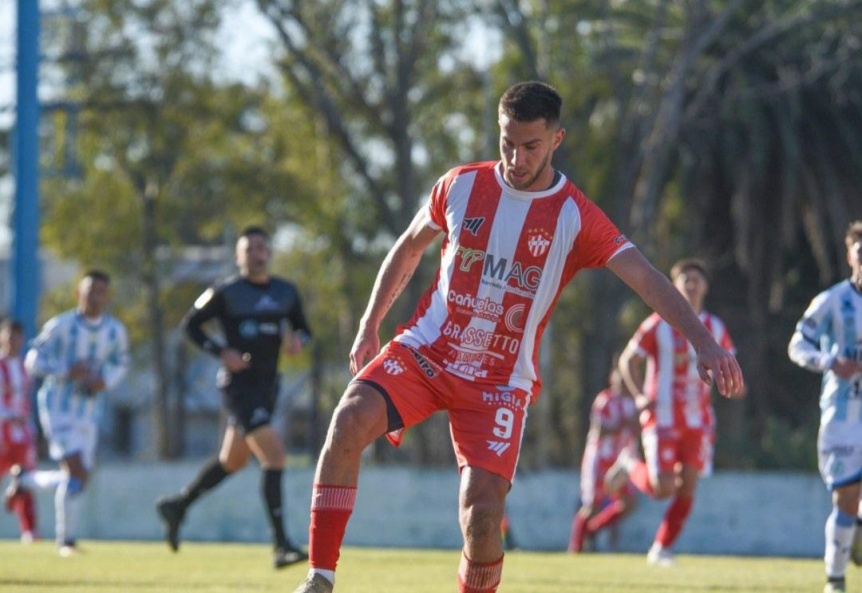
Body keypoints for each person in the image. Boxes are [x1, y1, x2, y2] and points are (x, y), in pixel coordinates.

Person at [290, 81, 744, 593]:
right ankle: (319, 578)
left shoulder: (576, 216)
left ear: (556, 140)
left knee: (482, 517)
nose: (516, 157)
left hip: (500, 383)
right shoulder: (460, 185)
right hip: (427, 352)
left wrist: (704, 342)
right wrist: (369, 323)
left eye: (530, 146)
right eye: (507, 142)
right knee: (348, 419)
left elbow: (646, 279)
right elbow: (409, 247)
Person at [155, 225, 312, 570]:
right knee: (275, 454)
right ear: (238, 256)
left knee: (233, 461)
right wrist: (220, 350)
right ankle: (281, 544)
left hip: (268, 386)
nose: (256, 253)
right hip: (238, 388)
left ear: (268, 253)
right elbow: (191, 325)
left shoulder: (286, 292)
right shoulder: (225, 292)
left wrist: (299, 339)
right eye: (249, 248)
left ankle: (178, 505)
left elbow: (304, 328)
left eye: (261, 247)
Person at [605, 258, 738, 567]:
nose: (691, 285)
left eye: (696, 280)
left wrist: (734, 383)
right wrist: (639, 397)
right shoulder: (657, 323)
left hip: (699, 420)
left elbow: (728, 363)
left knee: (688, 485)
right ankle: (628, 463)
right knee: (664, 488)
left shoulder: (716, 327)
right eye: (685, 280)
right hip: (661, 417)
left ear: (705, 287)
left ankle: (661, 548)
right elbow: (628, 361)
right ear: (674, 286)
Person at [11, 270, 130, 556]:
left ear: (107, 296)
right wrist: (65, 371)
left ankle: (26, 480)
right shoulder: (61, 325)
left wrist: (106, 380)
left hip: (89, 412)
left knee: (78, 479)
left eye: (101, 291)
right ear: (79, 292)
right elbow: (32, 359)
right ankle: (65, 541)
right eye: (90, 291)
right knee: (75, 471)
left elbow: (121, 362)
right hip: (58, 409)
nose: (95, 297)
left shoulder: (114, 331)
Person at [788, 220, 862, 593]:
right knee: (846, 498)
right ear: (851, 255)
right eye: (861, 252)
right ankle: (835, 581)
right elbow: (797, 345)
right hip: (843, 415)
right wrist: (830, 361)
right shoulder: (834, 301)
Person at [568, 364, 640, 553]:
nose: (623, 381)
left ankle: (593, 529)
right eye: (620, 376)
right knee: (592, 505)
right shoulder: (605, 400)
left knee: (629, 502)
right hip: (600, 458)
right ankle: (575, 548)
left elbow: (637, 431)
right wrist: (625, 424)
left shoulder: (633, 403)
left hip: (620, 461)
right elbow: (599, 430)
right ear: (612, 378)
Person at [1, 319, 38, 542]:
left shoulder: (26, 367)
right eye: (8, 336)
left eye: (17, 337)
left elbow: (25, 402)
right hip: (2, 431)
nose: (13, 341)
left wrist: (31, 428)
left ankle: (29, 532)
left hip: (22, 434)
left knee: (26, 480)